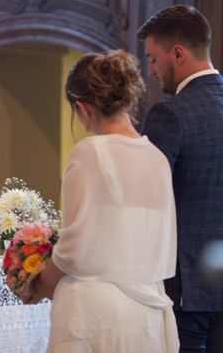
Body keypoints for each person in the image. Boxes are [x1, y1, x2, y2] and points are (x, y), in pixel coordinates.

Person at [31, 50, 178, 352]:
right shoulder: (157, 158)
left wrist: (38, 283)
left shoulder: (90, 152)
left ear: (82, 107)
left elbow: (75, 249)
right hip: (147, 311)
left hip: (95, 312)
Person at [138, 4, 223, 351]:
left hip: (187, 289)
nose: (151, 71)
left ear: (178, 53)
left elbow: (145, 199)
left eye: (153, 59)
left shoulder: (169, 114)